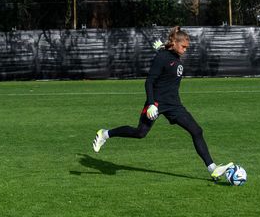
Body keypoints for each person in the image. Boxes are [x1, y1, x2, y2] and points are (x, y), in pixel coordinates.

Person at [93, 27, 233, 181]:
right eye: (183, 46)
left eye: (187, 47)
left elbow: (168, 55)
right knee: (140, 133)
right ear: (175, 43)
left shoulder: (171, 54)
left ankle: (213, 169)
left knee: (197, 131)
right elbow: (149, 82)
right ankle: (105, 134)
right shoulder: (162, 57)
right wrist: (151, 104)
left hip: (174, 105)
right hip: (157, 102)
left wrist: (162, 47)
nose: (185, 50)